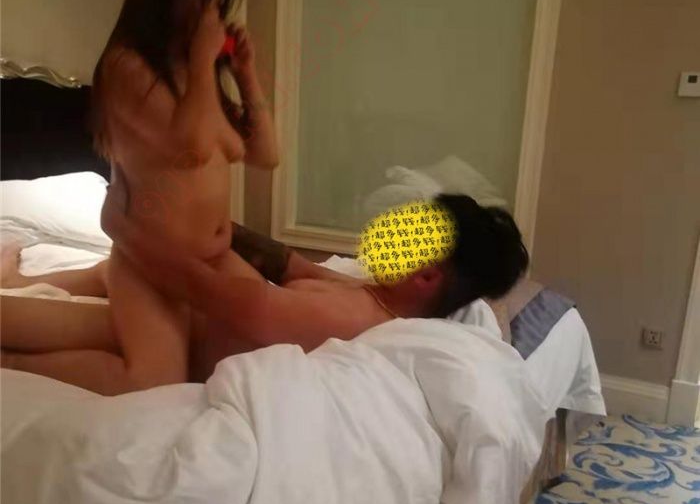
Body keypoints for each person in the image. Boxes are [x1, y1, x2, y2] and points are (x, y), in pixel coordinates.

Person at [15, 0, 279, 395]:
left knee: (265, 356)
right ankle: (11, 359)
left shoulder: (196, 76)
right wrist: (203, 61)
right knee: (154, 379)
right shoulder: (127, 67)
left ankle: (92, 292)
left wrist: (246, 74)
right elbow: (191, 150)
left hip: (208, 262)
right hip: (151, 264)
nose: (215, 11)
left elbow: (267, 154)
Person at [1, 194, 529, 389]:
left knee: (101, 327)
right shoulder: (375, 298)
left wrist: (169, 252)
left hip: (181, 330)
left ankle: (13, 351)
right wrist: (216, 230)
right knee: (111, 284)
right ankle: (20, 284)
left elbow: (255, 306)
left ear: (427, 277)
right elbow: (292, 267)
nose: (393, 227)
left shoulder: (357, 319)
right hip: (180, 318)